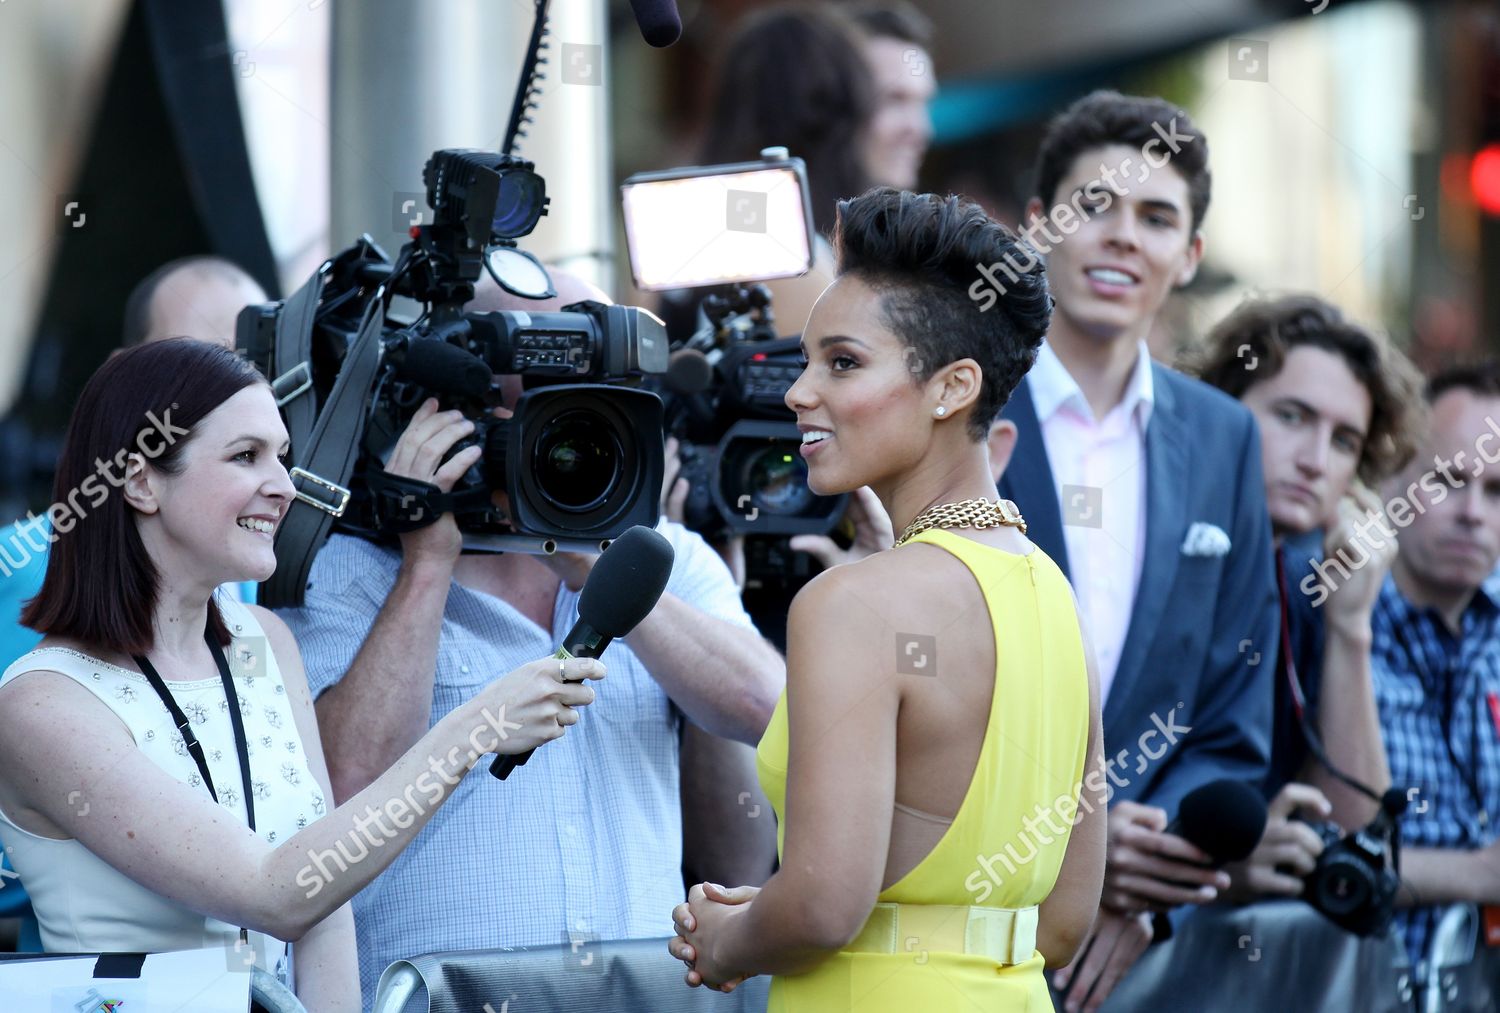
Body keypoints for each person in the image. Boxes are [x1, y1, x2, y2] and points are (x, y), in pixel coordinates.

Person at [0, 339, 603, 1010]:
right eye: (245, 456)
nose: (284, 485)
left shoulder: (265, 641)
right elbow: (278, 892)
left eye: (281, 456)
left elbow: (324, 907)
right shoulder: (41, 703)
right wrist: (470, 731)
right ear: (141, 481)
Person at [275, 272, 786, 1008]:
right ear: (451, 408)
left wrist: (596, 562)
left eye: (582, 394)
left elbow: (765, 707)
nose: (562, 428)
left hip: (635, 996)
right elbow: (341, 790)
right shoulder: (352, 569)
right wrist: (427, 562)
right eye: (529, 398)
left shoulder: (663, 555)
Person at [668, 187, 1106, 1009]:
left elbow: (824, 905)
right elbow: (1064, 920)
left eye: (842, 362)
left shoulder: (852, 603)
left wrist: (729, 939)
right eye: (806, 362)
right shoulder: (1056, 595)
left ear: (952, 388)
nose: (799, 392)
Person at [991, 90, 1280, 1010]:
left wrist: (1151, 890)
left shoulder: (1226, 437)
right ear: (1039, 227)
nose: (1124, 237)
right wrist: (1082, 858)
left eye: (1157, 218)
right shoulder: (958, 404)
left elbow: (1234, 711)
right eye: (1095, 207)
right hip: (967, 919)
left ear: (1189, 256)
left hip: (1145, 954)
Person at [1194, 295, 1423, 904]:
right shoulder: (1158, 552)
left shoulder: (1308, 588)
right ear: (1220, 407)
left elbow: (1351, 831)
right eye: (1292, 417)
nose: (1316, 461)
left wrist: (1351, 627)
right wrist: (1210, 865)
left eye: (1345, 441)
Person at [1362, 362, 1500, 971]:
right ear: (1394, 476)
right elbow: (1310, 859)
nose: (1474, 512)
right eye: (1448, 480)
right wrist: (1477, 874)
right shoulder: (1329, 619)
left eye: (1497, 492)